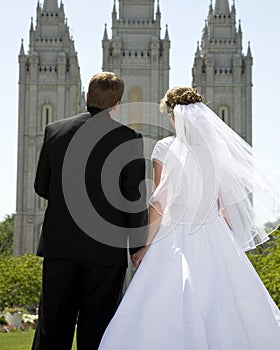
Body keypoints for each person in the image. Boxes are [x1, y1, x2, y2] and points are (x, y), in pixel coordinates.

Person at [98, 86, 280, 350]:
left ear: (173, 116)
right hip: (213, 231)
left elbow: (160, 203)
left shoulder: (164, 148)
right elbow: (225, 207)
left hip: (175, 235)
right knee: (226, 301)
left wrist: (144, 246)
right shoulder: (215, 150)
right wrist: (226, 242)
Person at [32, 72, 148, 350]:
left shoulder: (55, 131)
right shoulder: (129, 138)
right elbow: (135, 200)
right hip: (106, 252)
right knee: (97, 331)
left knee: (52, 330)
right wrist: (137, 247)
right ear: (117, 103)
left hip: (60, 249)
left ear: (87, 96)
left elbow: (41, 187)